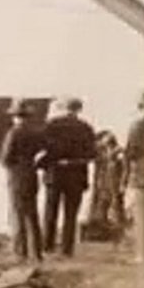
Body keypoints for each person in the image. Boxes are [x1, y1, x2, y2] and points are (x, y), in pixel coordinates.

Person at [39, 96, 96, 258]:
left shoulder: (52, 125)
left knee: (50, 211)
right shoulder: (86, 128)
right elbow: (92, 154)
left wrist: (46, 163)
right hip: (76, 174)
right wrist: (73, 161)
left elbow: (43, 149)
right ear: (78, 109)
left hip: (54, 174)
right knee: (71, 214)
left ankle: (47, 246)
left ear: (63, 108)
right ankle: (67, 249)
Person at [0, 98, 45, 263]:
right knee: (32, 214)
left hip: (17, 176)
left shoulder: (13, 133)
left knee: (17, 213)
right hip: (31, 174)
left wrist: (9, 164)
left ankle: (21, 252)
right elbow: (43, 150)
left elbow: (5, 159)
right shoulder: (35, 133)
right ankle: (37, 252)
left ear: (15, 116)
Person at [126, 89, 144, 262]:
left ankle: (142, 253)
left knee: (141, 215)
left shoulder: (138, 125)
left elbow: (131, 152)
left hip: (142, 173)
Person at [87, 131, 127, 230]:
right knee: (103, 202)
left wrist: (122, 183)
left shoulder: (119, 152)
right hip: (105, 182)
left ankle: (118, 224)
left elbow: (125, 168)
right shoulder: (102, 153)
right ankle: (102, 223)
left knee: (116, 202)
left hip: (115, 181)